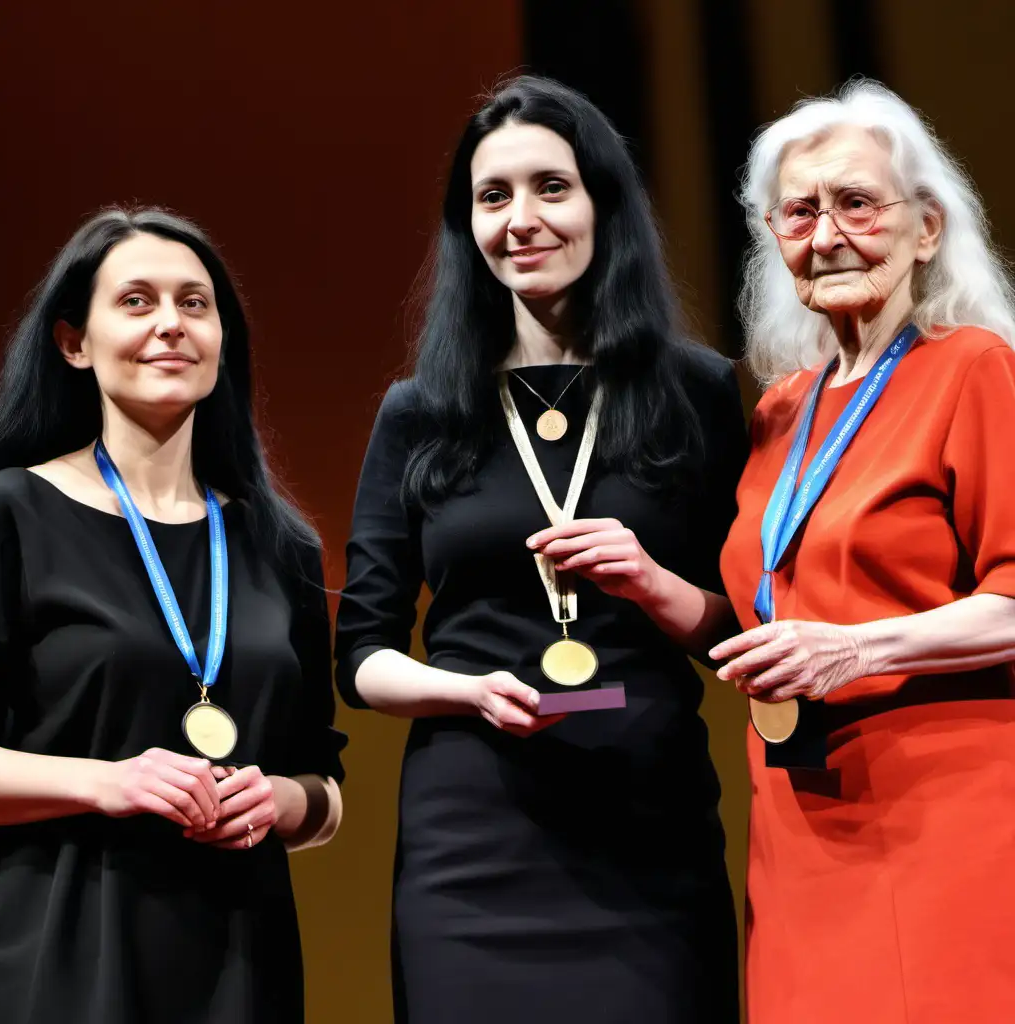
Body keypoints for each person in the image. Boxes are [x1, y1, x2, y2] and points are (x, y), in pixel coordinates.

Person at [334, 76, 745, 1023]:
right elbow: (362, 654)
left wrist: (652, 585)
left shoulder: (698, 392)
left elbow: (748, 628)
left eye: (551, 188)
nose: (522, 219)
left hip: (649, 825)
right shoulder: (421, 411)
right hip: (472, 838)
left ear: (604, 202)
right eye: (493, 196)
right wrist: (463, 690)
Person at [0, 207, 345, 1024]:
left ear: (223, 341)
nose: (170, 325)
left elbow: (324, 783)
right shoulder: (11, 515)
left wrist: (281, 802)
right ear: (73, 343)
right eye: (137, 302)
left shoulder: (277, 541)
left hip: (240, 960)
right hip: (62, 951)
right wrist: (108, 782)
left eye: (195, 303)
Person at [711, 81, 1015, 1022]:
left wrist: (860, 648)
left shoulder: (973, 368)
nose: (826, 233)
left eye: (855, 203)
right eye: (798, 212)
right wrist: (652, 588)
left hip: (947, 816)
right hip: (799, 819)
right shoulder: (781, 408)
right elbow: (770, 604)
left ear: (926, 228)